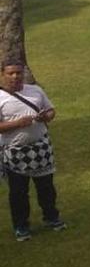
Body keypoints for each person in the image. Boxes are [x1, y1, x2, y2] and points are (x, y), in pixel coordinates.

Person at [0, 60, 65, 241]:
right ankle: (21, 226)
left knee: (46, 188)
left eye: (18, 73)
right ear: (3, 74)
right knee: (19, 193)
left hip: (41, 148)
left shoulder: (35, 90)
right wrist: (16, 123)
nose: (15, 76)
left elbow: (51, 110)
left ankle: (52, 217)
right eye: (11, 73)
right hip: (15, 154)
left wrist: (47, 116)